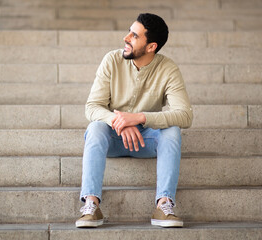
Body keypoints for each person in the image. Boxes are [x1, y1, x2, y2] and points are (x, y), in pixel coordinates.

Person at [75, 13, 193, 228]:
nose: (126, 38)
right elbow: (92, 107)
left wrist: (140, 118)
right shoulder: (111, 60)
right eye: (129, 31)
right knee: (95, 128)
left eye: (134, 35)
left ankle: (164, 204)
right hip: (112, 138)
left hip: (145, 140)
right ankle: (91, 204)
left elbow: (185, 115)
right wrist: (120, 121)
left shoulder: (168, 69)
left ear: (151, 46)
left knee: (173, 131)